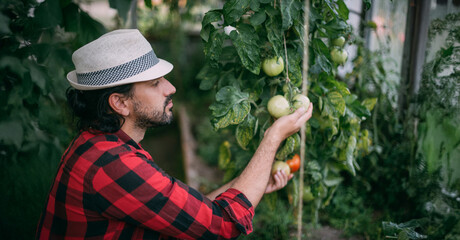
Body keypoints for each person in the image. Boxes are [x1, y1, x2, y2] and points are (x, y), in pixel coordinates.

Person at [36, 29, 313, 239]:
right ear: (120, 103)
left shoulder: (99, 143)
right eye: (155, 83)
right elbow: (220, 226)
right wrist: (274, 136)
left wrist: (254, 185)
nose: (170, 88)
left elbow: (191, 212)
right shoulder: (113, 166)